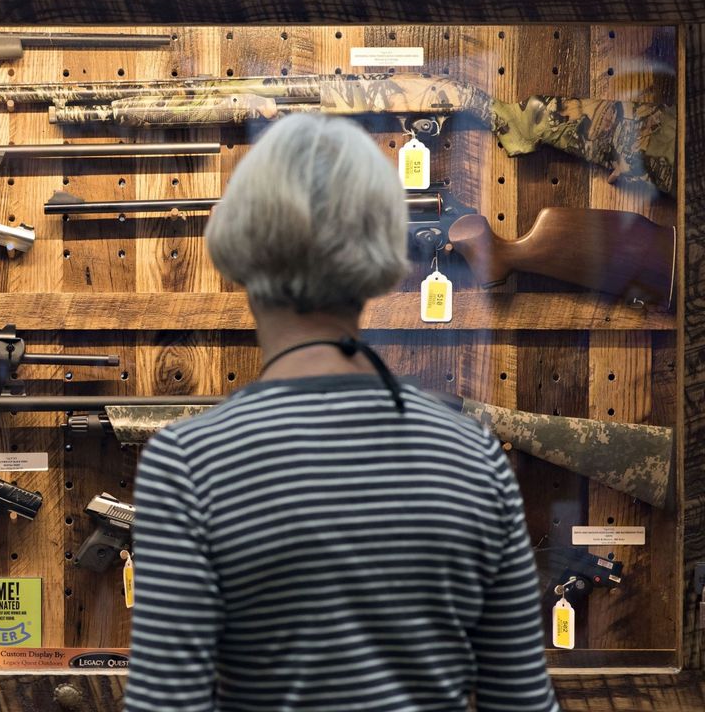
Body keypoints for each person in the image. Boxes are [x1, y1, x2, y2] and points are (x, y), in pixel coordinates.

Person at [123, 114, 558, 712]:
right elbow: (523, 703)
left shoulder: (189, 463)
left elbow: (165, 705)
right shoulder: (471, 455)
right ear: (381, 255)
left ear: (236, 248)